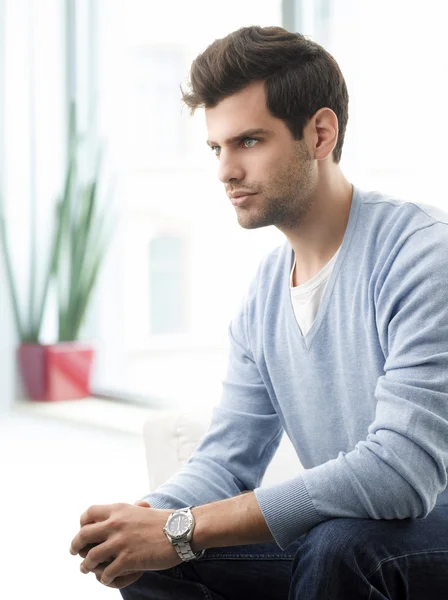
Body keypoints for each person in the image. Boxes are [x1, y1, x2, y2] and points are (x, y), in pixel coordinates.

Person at [69, 25, 448, 599]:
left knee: (338, 546)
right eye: (217, 148)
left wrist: (182, 528)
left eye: (249, 141)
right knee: (148, 560)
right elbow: (226, 460)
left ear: (320, 134)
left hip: (424, 525)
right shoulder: (265, 293)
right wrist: (145, 519)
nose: (225, 170)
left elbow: (401, 475)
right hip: (354, 532)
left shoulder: (421, 253)